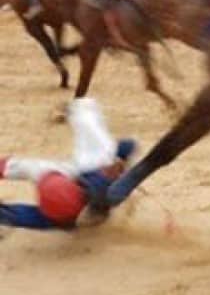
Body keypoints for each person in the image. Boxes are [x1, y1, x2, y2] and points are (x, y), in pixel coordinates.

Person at [0, 98, 136, 232]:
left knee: (26, 168)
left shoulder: (102, 170)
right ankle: (79, 108)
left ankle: (79, 108)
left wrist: (119, 158)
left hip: (60, 184)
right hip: (59, 193)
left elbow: (126, 147)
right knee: (28, 174)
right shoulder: (60, 215)